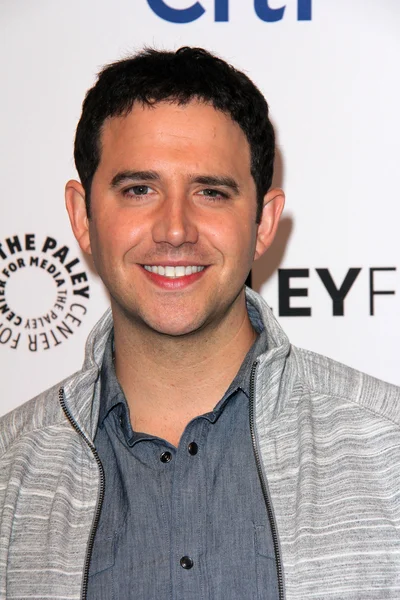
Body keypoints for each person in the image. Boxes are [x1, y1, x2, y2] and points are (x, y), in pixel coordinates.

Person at [1, 47, 400, 600]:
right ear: (82, 217)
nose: (174, 229)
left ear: (263, 222)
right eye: (139, 189)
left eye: (210, 192)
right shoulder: (9, 472)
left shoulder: (389, 448)